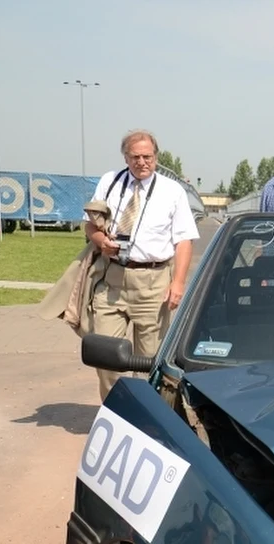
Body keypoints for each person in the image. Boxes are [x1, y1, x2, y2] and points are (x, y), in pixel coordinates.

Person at [84, 130, 199, 401]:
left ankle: (147, 417)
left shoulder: (172, 191)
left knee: (149, 360)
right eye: (135, 157)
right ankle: (115, 411)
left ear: (156, 157)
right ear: (126, 157)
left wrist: (178, 283)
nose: (142, 162)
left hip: (153, 282)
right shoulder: (109, 182)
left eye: (147, 156)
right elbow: (89, 224)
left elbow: (184, 241)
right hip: (112, 279)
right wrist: (101, 241)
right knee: (105, 356)